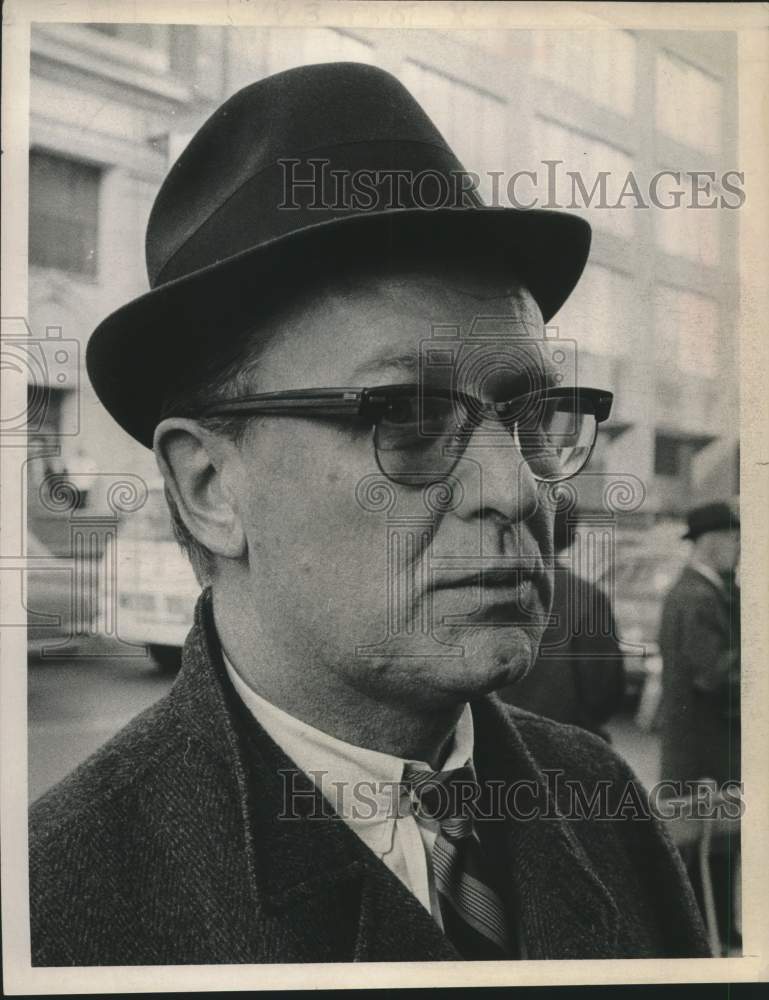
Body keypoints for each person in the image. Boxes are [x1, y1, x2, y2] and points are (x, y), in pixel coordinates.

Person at [29, 62, 709, 966]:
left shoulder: (602, 800)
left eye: (532, 417)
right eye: (406, 417)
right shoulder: (54, 909)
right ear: (209, 487)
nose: (515, 490)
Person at [497, 507, 625, 739]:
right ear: (571, 537)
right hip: (563, 739)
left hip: (494, 737)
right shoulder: (586, 597)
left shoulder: (488, 590)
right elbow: (604, 688)